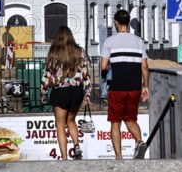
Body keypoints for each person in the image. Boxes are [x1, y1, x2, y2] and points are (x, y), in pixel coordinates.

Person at [100, 9, 149, 159]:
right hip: (134, 88)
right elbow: (145, 66)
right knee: (130, 119)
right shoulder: (139, 41)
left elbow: (103, 66)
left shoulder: (110, 41)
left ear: (116, 23)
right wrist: (146, 86)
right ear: (128, 23)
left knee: (115, 122)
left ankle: (119, 157)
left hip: (117, 88)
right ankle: (139, 142)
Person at [40, 26, 91, 160]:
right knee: (71, 120)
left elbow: (47, 75)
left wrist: (44, 92)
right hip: (76, 91)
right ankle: (76, 146)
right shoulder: (80, 52)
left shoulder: (54, 52)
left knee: (60, 124)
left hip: (60, 92)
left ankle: (64, 157)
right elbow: (85, 74)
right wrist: (87, 93)